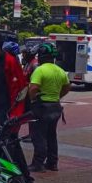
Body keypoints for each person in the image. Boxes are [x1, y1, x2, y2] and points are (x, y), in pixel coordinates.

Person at [28, 43, 70, 172]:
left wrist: (32, 98)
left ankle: (38, 163)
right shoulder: (60, 70)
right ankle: (52, 162)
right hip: (55, 106)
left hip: (42, 106)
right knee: (51, 135)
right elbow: (67, 87)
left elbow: (33, 87)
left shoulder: (40, 70)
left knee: (38, 135)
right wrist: (57, 96)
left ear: (41, 56)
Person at [0, 32, 27, 125]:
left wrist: (15, 113)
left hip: (8, 111)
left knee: (1, 136)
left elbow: (20, 87)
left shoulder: (10, 62)